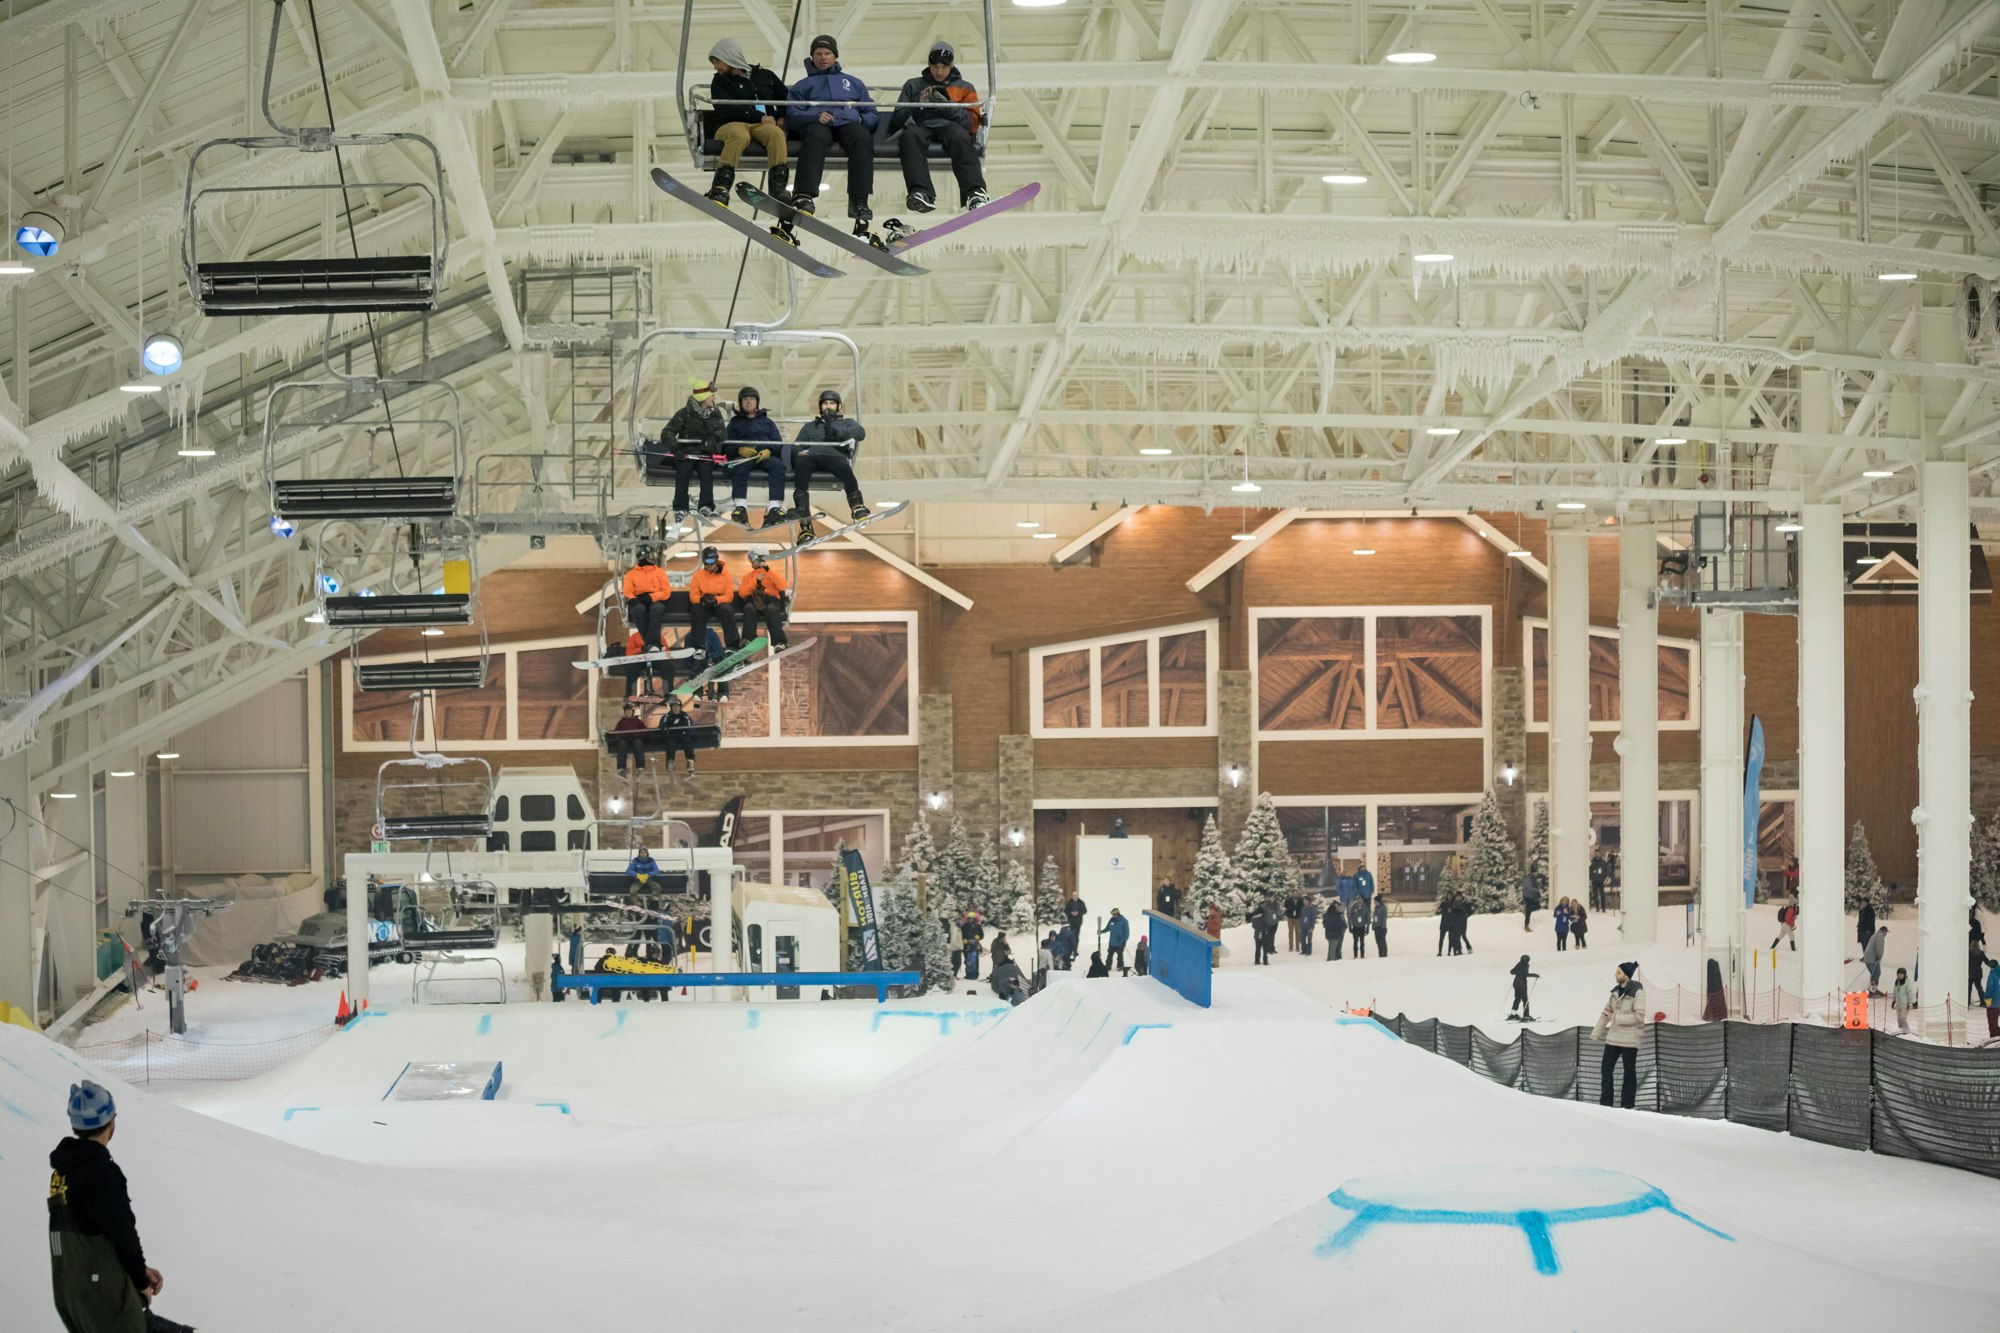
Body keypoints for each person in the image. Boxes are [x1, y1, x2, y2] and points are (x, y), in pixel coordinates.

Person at [48, 1080, 161, 1333]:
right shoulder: (100, 1172)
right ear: (111, 1121)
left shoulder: (63, 1171)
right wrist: (140, 1280)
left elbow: (91, 1230)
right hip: (101, 1291)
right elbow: (123, 1233)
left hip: (69, 1287)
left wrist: (139, 1270)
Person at [786, 35, 878, 237]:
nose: (823, 57)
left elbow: (871, 112)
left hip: (847, 123)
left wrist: (861, 120)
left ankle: (860, 200)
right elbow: (792, 114)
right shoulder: (802, 86)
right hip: (818, 124)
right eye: (818, 54)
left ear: (835, 57)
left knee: (862, 138)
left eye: (827, 53)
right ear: (812, 57)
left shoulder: (853, 83)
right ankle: (804, 195)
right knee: (815, 138)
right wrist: (814, 116)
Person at [888, 40, 989, 215]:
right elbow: (897, 118)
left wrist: (947, 107)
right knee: (910, 136)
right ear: (929, 65)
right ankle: (920, 191)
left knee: (960, 137)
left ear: (951, 66)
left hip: (951, 126)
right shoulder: (913, 85)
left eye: (944, 67)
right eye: (936, 67)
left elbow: (971, 123)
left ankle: (974, 191)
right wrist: (919, 105)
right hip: (921, 125)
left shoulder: (964, 88)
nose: (940, 72)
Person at [702, 38, 791, 212]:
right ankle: (720, 188)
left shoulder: (765, 76)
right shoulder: (720, 82)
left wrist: (781, 119)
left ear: (729, 58)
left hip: (762, 126)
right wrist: (759, 116)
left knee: (776, 134)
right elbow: (724, 109)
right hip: (732, 123)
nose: (715, 67)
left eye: (717, 61)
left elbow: (785, 98)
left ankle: (778, 188)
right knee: (739, 135)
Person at [787, 389, 871, 539]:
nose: (828, 406)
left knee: (844, 467)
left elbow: (860, 433)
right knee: (801, 466)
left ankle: (857, 506)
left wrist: (839, 434)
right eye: (825, 403)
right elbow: (797, 445)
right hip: (811, 456)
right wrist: (799, 452)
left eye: (832, 403)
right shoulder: (810, 426)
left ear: (838, 406)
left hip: (833, 456)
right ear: (820, 406)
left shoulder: (846, 423)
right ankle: (804, 519)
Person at [724, 386, 787, 527]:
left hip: (764, 456)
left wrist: (769, 451)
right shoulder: (735, 423)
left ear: (757, 402)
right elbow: (726, 445)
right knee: (738, 466)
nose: (749, 402)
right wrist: (739, 449)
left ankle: (774, 507)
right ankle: (740, 507)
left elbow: (777, 442)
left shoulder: (768, 422)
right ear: (741, 403)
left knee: (778, 467)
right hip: (744, 457)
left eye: (752, 399)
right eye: (745, 399)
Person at [664, 379, 726, 519]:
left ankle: (706, 505)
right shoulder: (684, 414)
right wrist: (675, 448)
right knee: (683, 472)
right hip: (686, 453)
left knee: (706, 473)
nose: (714, 398)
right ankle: (680, 506)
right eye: (711, 396)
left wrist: (713, 438)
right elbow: (667, 432)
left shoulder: (715, 414)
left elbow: (723, 433)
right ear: (703, 399)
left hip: (705, 453)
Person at [1592, 963, 1646, 1108]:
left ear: (1626, 975)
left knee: (1629, 1072)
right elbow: (1606, 1013)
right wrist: (1596, 1032)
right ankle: (1606, 1104)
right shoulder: (1615, 992)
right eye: (1616, 972)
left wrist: (1618, 1018)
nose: (1615, 975)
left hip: (1630, 1039)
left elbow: (1639, 1016)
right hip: (1613, 1038)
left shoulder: (1638, 992)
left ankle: (1627, 1106)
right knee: (1605, 1069)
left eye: (1619, 972)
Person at [686, 545, 742, 669]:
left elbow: (729, 596)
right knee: (696, 610)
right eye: (706, 562)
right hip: (704, 602)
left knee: (726, 610)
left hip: (718, 602)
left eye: (711, 561)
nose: (709, 565)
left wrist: (717, 600)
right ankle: (699, 647)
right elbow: (693, 595)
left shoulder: (725, 575)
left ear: (716, 560)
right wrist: (701, 599)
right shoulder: (698, 575)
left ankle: (732, 644)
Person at [737, 547, 789, 649]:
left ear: (761, 558)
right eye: (749, 557)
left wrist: (768, 571)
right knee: (749, 608)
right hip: (755, 601)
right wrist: (755, 582)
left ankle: (779, 642)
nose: (750, 560)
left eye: (752, 557)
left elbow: (782, 586)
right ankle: (748, 639)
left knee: (771, 609)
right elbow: (742, 593)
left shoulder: (772, 574)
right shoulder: (748, 577)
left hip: (771, 601)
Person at [622, 549, 673, 652]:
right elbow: (627, 591)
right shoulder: (631, 574)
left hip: (656, 600)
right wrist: (633, 599)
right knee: (638, 610)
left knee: (656, 609)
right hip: (639, 599)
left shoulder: (659, 572)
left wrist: (652, 597)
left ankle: (651, 645)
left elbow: (666, 591)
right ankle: (654, 645)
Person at [657, 695, 699, 776]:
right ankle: (670, 764)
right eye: (673, 706)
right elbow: (662, 726)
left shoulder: (685, 716)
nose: (675, 708)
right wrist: (666, 732)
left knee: (688, 742)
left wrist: (690, 734)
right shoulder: (667, 717)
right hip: (672, 735)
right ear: (671, 708)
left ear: (680, 707)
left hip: (683, 735)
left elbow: (690, 727)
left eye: (677, 706)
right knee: (670, 744)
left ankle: (690, 762)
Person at [610, 702, 649, 775]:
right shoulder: (621, 722)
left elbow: (644, 730)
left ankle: (640, 766)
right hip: (625, 739)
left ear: (632, 712)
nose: (628, 713)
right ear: (625, 713)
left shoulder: (637, 721)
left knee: (638, 743)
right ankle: (621, 767)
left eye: (629, 711)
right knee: (622, 744)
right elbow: (617, 732)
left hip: (636, 739)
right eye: (626, 711)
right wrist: (621, 736)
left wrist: (638, 735)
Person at [1509, 955, 1539, 1021]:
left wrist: (1518, 973)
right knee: (1525, 1000)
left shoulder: (1518, 964)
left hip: (1516, 984)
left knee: (1517, 999)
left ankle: (1513, 1014)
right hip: (1522, 985)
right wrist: (1535, 975)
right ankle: (1526, 1016)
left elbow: (1512, 972)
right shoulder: (1525, 965)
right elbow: (1526, 974)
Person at [1102, 908, 1130, 974]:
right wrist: (1102, 931)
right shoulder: (1111, 920)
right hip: (1112, 942)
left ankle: (1120, 966)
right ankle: (1108, 967)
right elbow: (1108, 928)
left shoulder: (1124, 921)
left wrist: (1123, 940)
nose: (1114, 916)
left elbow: (1127, 932)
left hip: (1120, 943)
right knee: (1109, 956)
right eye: (1113, 915)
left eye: (1115, 914)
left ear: (1118, 914)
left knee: (1120, 955)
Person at [1863, 925, 1889, 994]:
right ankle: (1873, 991)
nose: (1886, 934)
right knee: (1877, 973)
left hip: (1868, 958)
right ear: (1883, 931)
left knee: (1873, 974)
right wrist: (1878, 956)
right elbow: (1878, 947)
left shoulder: (1875, 935)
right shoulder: (1880, 936)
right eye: (1886, 932)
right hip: (1873, 959)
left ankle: (1871, 990)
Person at [960, 911, 984, 980]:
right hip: (967, 946)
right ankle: (968, 974)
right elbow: (961, 935)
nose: (971, 920)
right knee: (967, 960)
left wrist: (978, 937)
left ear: (974, 919)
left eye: (972, 918)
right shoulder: (964, 926)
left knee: (974, 960)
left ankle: (975, 974)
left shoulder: (978, 926)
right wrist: (963, 940)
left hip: (974, 946)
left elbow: (982, 936)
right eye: (969, 918)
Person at [1891, 967, 1914, 1034]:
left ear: (1904, 975)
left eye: (1901, 974)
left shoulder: (1907, 982)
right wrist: (1893, 1001)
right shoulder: (1897, 982)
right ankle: (1900, 1029)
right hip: (1898, 1003)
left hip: (1905, 1003)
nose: (1900, 976)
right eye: (1898, 974)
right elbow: (1895, 991)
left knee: (1903, 1018)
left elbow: (1909, 992)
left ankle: (1906, 1030)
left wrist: (1910, 1002)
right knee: (1899, 1019)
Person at [1251, 900, 1275, 966]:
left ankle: (1257, 960)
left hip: (1257, 933)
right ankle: (1265, 961)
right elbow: (1269, 924)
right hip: (1265, 933)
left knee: (1258, 948)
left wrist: (1258, 929)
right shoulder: (1266, 914)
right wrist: (1267, 930)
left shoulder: (1255, 914)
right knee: (1265, 948)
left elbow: (1253, 925)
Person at [1986, 958, 2000, 1041]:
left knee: (1992, 1025)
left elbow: (1989, 990)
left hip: (1994, 1004)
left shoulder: (1992, 975)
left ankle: (1994, 1041)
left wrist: (1987, 1000)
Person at [1372, 891, 1389, 957]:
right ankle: (1380, 953)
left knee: (1382, 941)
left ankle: (1384, 954)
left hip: (1381, 927)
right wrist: (1374, 924)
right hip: (1376, 927)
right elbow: (1375, 917)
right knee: (1378, 941)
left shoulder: (1383, 908)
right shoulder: (1376, 908)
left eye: (1374, 901)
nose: (1374, 902)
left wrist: (1383, 926)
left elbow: (1384, 918)